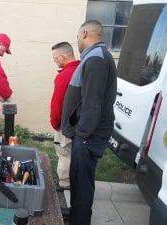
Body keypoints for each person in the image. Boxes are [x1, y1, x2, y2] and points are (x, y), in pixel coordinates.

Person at [60, 20, 117, 225]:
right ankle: (76, 214)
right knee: (78, 178)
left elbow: (93, 103)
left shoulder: (96, 59)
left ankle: (80, 220)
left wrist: (82, 135)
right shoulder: (94, 58)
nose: (77, 42)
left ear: (85, 34)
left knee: (83, 183)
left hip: (88, 136)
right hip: (85, 134)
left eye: (77, 37)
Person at [50, 42, 80, 191]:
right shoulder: (81, 69)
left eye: (55, 57)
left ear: (62, 57)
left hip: (65, 124)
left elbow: (58, 103)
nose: (54, 60)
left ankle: (65, 184)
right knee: (73, 153)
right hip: (78, 123)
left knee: (64, 153)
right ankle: (73, 180)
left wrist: (55, 123)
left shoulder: (65, 75)